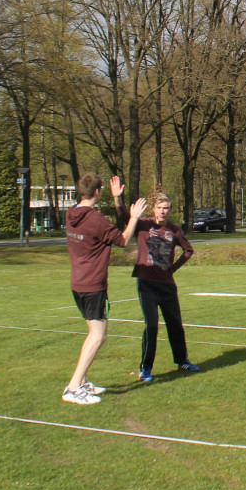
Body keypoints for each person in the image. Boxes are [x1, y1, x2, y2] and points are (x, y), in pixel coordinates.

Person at [62, 172, 146, 405]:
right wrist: (134, 217)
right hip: (92, 285)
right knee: (99, 336)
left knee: (93, 334)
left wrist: (117, 198)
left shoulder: (71, 213)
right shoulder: (95, 219)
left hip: (78, 283)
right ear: (98, 192)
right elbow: (123, 240)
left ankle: (83, 381)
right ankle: (73, 387)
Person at [112, 181, 200, 383]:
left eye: (166, 208)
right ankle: (145, 368)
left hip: (167, 286)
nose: (162, 211)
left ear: (170, 210)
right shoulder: (143, 226)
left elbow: (188, 251)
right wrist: (118, 198)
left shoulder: (174, 231)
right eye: (159, 207)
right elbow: (125, 217)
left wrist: (172, 269)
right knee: (151, 326)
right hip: (146, 284)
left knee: (175, 325)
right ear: (154, 209)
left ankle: (182, 361)